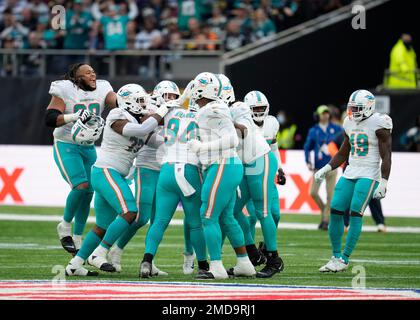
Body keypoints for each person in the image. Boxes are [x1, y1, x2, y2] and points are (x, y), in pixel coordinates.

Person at [65, 84, 171, 276]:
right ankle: (100, 252)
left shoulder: (136, 120)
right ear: (127, 100)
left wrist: (180, 137)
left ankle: (74, 265)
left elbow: (156, 141)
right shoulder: (117, 114)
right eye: (140, 100)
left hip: (112, 174)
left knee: (102, 226)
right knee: (130, 212)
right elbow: (142, 130)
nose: (143, 104)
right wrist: (164, 109)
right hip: (106, 171)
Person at [185, 72, 256, 279]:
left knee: (207, 216)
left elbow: (232, 139)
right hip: (224, 165)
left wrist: (201, 147)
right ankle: (244, 263)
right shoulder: (210, 109)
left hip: (222, 164)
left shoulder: (213, 109)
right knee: (227, 218)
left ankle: (216, 267)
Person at [316, 89, 392, 272]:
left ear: (368, 107)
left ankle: (344, 258)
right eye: (352, 108)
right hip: (350, 171)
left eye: (358, 108)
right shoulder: (349, 122)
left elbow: (386, 155)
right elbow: (343, 151)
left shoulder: (380, 122)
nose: (354, 112)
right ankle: (335, 257)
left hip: (369, 173)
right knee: (335, 209)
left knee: (356, 211)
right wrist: (327, 168)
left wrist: (384, 181)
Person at [45, 63, 117, 256]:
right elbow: (50, 118)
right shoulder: (66, 89)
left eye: (93, 71)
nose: (92, 74)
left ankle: (78, 236)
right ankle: (65, 226)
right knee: (81, 186)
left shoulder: (103, 88)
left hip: (88, 146)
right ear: (77, 78)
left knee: (89, 191)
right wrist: (72, 117)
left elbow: (117, 101)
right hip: (66, 143)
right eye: (87, 72)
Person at [139, 82, 209, 279]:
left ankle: (147, 260)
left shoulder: (171, 112)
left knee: (159, 221)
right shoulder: (204, 114)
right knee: (195, 223)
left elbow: (146, 122)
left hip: (167, 169)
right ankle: (203, 265)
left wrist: (169, 106)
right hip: (189, 169)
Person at [229, 87, 285, 278]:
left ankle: (274, 259)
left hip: (260, 160)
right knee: (232, 210)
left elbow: (243, 131)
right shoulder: (221, 111)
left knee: (263, 211)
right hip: (247, 163)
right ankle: (252, 250)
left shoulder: (235, 109)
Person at [244, 89, 286, 249]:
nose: (259, 112)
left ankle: (268, 247)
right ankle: (250, 253)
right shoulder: (244, 124)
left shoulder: (272, 123)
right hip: (250, 175)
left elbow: (274, 147)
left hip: (267, 175)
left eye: (262, 108)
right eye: (256, 109)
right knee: (252, 217)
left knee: (275, 214)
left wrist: (280, 168)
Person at [304, 105, 343, 230]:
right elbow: (307, 147)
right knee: (313, 192)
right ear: (318, 115)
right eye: (323, 113)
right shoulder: (313, 130)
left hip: (332, 166)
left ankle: (326, 220)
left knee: (330, 195)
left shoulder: (336, 128)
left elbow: (343, 144)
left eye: (327, 112)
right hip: (319, 167)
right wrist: (308, 161)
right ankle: (325, 212)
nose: (325, 115)